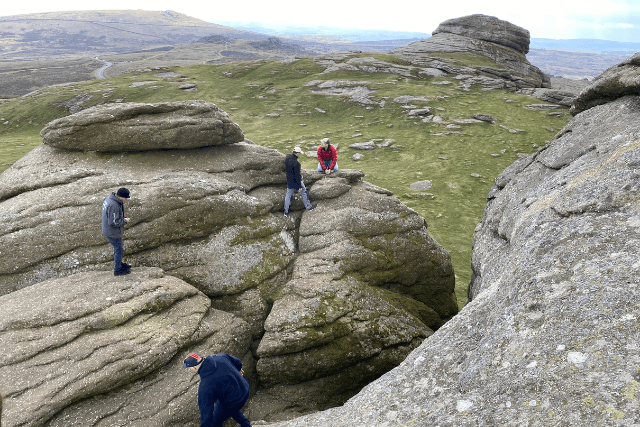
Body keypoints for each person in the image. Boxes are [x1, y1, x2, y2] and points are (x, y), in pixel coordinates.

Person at [183, 352, 252, 427]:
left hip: (234, 401)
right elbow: (237, 361)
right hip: (244, 388)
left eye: (188, 368)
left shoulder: (205, 385)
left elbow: (206, 414)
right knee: (226, 404)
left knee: (213, 423)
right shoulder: (220, 356)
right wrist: (238, 369)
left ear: (194, 367)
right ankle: (246, 424)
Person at [102, 187, 131, 276]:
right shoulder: (114, 204)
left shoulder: (109, 198)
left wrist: (121, 216)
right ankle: (118, 270)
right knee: (118, 249)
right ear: (121, 197)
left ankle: (119, 264)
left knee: (119, 247)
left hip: (109, 229)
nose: (126, 200)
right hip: (112, 231)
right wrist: (125, 221)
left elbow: (112, 216)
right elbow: (113, 222)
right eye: (125, 198)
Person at [284, 146, 313, 216]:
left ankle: (286, 212)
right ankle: (308, 207)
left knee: (288, 195)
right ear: (297, 153)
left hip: (289, 180)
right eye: (299, 153)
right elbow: (297, 176)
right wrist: (299, 186)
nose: (300, 155)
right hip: (296, 182)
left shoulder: (287, 158)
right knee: (304, 191)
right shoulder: (297, 164)